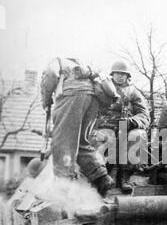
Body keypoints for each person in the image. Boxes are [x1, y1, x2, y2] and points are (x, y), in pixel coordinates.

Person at [40, 57, 120, 197]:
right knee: (81, 142)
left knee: (62, 143)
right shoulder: (82, 64)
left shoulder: (56, 60)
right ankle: (101, 178)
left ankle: (62, 189)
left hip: (72, 95)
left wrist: (46, 100)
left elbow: (51, 75)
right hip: (93, 98)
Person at [93, 61, 150, 193]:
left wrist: (131, 121)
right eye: (117, 73)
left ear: (127, 76)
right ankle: (100, 177)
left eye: (123, 74)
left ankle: (125, 176)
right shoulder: (102, 88)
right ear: (112, 74)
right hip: (105, 126)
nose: (120, 76)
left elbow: (144, 114)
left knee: (137, 136)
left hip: (126, 127)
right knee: (102, 139)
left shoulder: (133, 92)